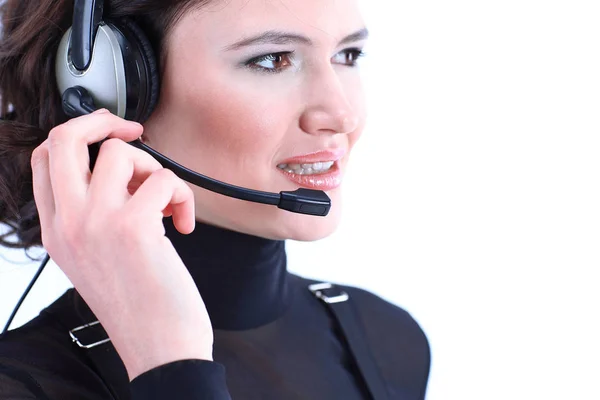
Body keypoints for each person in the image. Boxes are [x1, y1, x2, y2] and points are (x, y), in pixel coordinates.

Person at [0, 0, 430, 398]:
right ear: (110, 91)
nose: (342, 115)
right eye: (272, 59)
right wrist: (170, 364)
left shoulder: (389, 341)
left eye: (348, 55)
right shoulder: (25, 384)